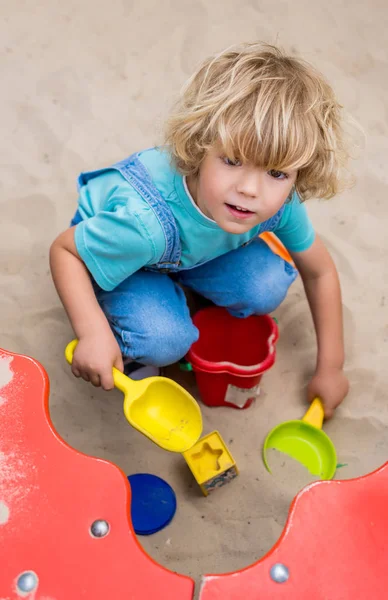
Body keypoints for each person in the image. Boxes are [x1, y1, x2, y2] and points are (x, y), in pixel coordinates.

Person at [50, 42, 350, 417]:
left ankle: (182, 288)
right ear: (199, 145)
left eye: (276, 173)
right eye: (232, 160)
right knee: (164, 340)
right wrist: (92, 332)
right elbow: (65, 251)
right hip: (124, 250)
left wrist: (331, 367)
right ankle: (138, 323)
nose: (250, 190)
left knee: (266, 286)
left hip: (189, 249)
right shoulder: (143, 223)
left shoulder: (279, 204)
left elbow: (320, 271)